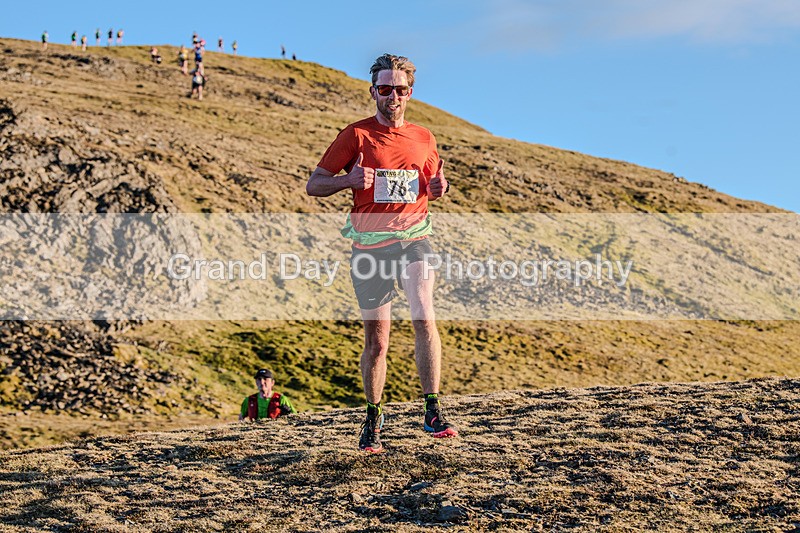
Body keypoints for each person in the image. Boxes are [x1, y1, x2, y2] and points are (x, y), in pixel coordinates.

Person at [306, 53, 457, 453]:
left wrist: (437, 190)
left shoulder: (424, 137)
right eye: (385, 88)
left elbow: (428, 183)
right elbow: (314, 184)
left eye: (400, 89)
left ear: (411, 92)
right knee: (378, 342)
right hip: (370, 246)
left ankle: (432, 410)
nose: (393, 95)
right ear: (374, 91)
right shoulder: (355, 135)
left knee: (423, 311)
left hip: (414, 238)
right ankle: (373, 416)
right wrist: (347, 181)